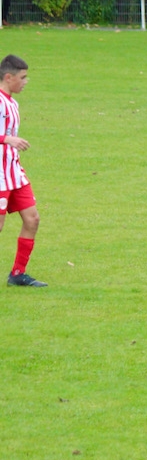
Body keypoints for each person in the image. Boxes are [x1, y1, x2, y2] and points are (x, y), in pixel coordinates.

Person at [1, 54, 46, 287]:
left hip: (14, 173)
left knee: (32, 219)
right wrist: (6, 139)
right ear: (9, 77)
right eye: (23, 77)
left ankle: (18, 274)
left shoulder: (12, 103)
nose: (25, 82)